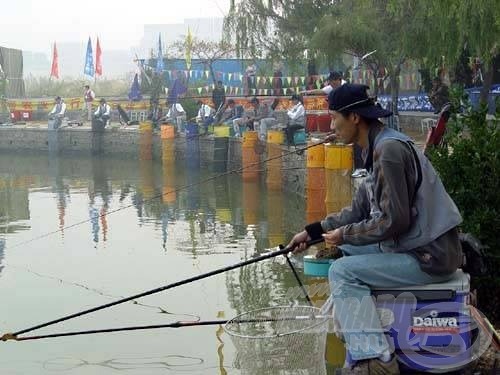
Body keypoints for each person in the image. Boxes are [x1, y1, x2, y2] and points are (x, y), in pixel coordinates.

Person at [289, 84, 463, 374]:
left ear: (354, 117)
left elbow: (394, 221)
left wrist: (345, 234)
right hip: (416, 246)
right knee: (344, 250)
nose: (331, 126)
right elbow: (358, 210)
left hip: (430, 255)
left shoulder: (388, 151)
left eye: (334, 118)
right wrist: (313, 232)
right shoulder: (377, 147)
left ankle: (375, 359)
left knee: (341, 271)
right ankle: (358, 324)